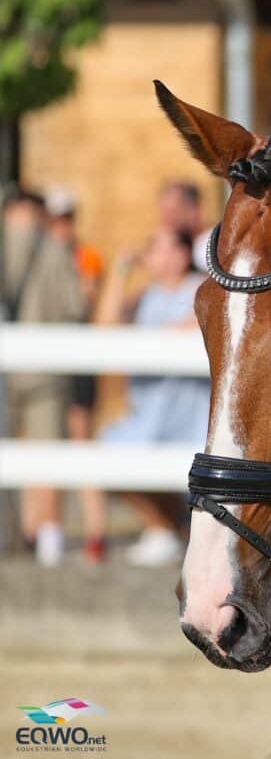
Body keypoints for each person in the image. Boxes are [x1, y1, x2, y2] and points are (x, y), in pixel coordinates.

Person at [95, 226, 210, 566]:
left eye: (157, 246)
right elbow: (105, 327)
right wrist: (120, 272)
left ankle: (172, 531)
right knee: (106, 461)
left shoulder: (199, 291)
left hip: (188, 414)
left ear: (179, 255)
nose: (149, 253)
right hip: (148, 415)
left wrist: (148, 338)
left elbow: (199, 325)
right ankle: (168, 527)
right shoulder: (147, 295)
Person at [2, 188, 87, 565]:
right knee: (48, 449)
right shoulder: (55, 249)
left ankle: (15, 535)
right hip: (46, 370)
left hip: (14, 370)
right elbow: (75, 306)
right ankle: (48, 539)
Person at [44, 187, 108, 563]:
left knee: (82, 441)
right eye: (56, 221)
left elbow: (83, 303)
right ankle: (45, 530)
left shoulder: (85, 257)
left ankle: (94, 530)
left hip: (76, 362)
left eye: (65, 219)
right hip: (49, 361)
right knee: (44, 443)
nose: (61, 227)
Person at [158, 180, 210, 272]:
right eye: (164, 212)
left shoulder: (210, 248)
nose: (166, 221)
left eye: (172, 212)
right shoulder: (184, 246)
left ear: (193, 211)